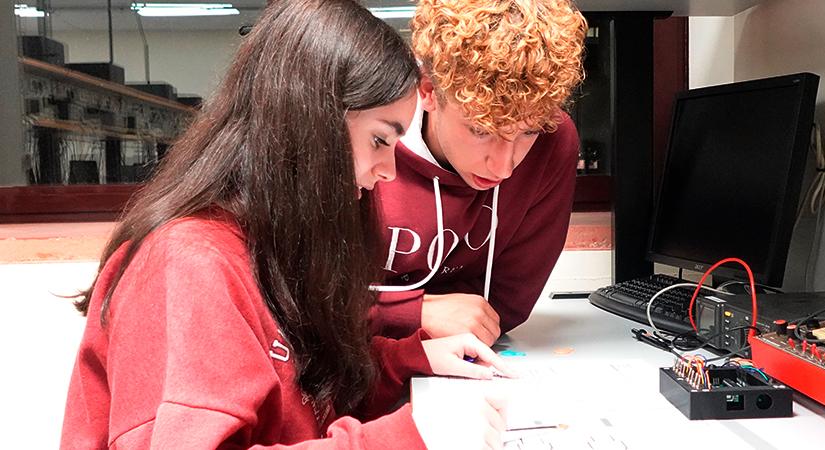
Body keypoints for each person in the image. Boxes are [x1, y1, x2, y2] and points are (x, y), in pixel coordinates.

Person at [60, 1, 509, 449]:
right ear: (309, 122)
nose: (388, 171)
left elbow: (300, 393)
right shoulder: (187, 263)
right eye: (379, 139)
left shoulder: (270, 241)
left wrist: (406, 360)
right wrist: (409, 437)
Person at [370, 0, 588, 345]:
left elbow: (503, 309)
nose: (504, 167)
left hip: (467, 366)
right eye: (481, 130)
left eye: (527, 131)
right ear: (428, 91)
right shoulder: (368, 140)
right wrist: (415, 311)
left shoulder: (555, 142)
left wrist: (376, 310)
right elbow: (300, 302)